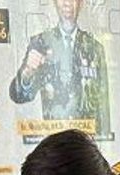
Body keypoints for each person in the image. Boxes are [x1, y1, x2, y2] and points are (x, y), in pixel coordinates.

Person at [9, 0, 111, 137]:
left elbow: (103, 104)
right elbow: (19, 96)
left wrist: (104, 141)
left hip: (85, 144)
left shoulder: (94, 48)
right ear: (55, 3)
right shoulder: (41, 42)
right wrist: (28, 72)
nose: (67, 3)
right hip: (55, 143)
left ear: (80, 3)